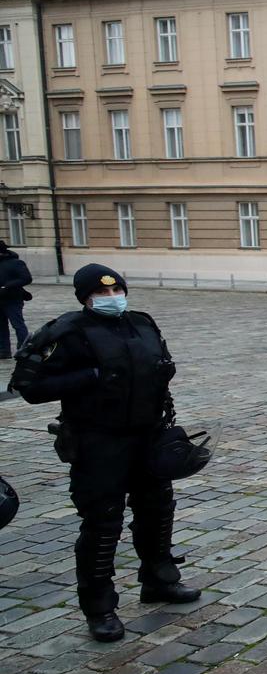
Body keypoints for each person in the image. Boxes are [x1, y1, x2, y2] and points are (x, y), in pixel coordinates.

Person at [8, 264, 201, 642]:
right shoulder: (67, 331)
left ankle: (159, 580)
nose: (112, 298)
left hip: (147, 434)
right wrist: (90, 378)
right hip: (99, 441)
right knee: (102, 524)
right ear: (85, 298)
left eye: (117, 292)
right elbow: (28, 385)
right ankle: (100, 608)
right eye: (102, 294)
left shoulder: (142, 323)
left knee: (157, 511)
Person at [0, 240, 32, 360]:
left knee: (17, 324)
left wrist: (7, 286)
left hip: (12, 299)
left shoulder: (16, 263)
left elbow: (26, 278)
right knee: (1, 326)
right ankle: (4, 350)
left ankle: (24, 348)